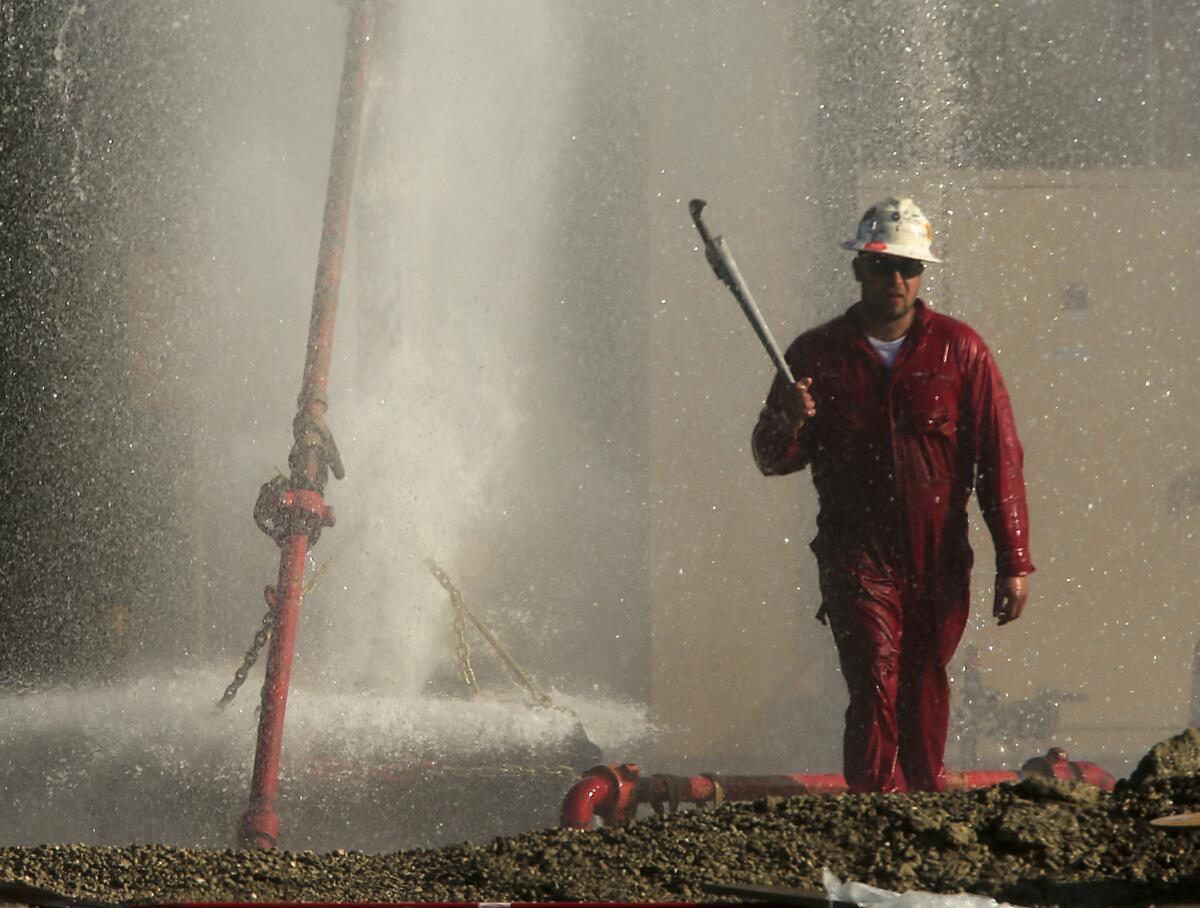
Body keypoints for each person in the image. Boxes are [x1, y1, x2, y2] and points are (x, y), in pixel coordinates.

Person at [751, 196, 1034, 793]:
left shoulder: (963, 353)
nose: (896, 279)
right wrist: (789, 417)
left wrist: (1014, 563)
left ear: (923, 273)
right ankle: (870, 809)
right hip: (856, 553)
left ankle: (926, 800)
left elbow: (999, 461)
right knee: (875, 679)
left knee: (924, 682)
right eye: (882, 266)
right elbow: (770, 459)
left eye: (908, 267)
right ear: (858, 270)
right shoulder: (814, 355)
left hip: (938, 557)